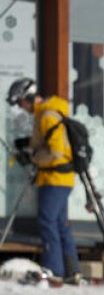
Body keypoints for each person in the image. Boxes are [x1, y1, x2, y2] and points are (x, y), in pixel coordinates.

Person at [7, 77, 79, 283]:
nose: (22, 108)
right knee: (60, 224)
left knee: (47, 222)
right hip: (60, 179)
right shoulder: (47, 113)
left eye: (21, 103)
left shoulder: (47, 115)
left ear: (29, 97)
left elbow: (55, 152)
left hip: (54, 178)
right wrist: (28, 144)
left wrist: (31, 157)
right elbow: (48, 142)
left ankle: (54, 269)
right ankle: (72, 270)